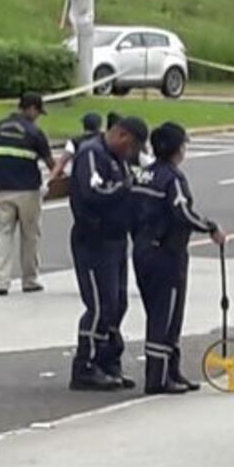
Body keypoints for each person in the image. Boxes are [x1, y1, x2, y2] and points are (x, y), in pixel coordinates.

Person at [131, 123, 227, 395]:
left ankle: (171, 369)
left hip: (142, 249)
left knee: (156, 311)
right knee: (167, 314)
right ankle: (159, 378)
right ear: (176, 149)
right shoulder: (172, 179)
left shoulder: (143, 175)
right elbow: (182, 213)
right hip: (167, 254)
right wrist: (209, 227)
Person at [69, 116, 150, 392]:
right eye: (133, 148)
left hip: (116, 239)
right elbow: (94, 192)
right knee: (100, 304)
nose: (133, 154)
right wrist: (125, 187)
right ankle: (85, 365)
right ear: (122, 136)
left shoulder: (120, 159)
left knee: (118, 304)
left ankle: (107, 360)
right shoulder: (92, 153)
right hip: (93, 238)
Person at [0, 92, 54, 296]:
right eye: (38, 112)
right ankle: (29, 280)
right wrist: (64, 181)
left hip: (1, 189)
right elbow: (51, 164)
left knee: (2, 234)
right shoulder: (34, 133)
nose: (38, 116)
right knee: (30, 236)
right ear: (31, 108)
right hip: (28, 192)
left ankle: (2, 281)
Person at [50, 112, 103, 181]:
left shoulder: (74, 142)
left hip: (80, 180)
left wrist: (51, 179)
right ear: (99, 126)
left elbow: (62, 162)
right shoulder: (104, 140)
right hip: (101, 179)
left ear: (84, 125)